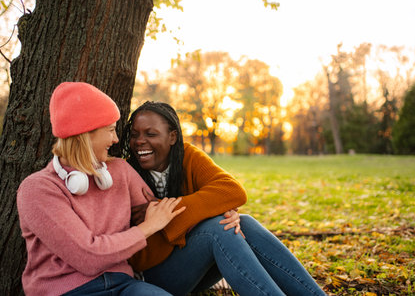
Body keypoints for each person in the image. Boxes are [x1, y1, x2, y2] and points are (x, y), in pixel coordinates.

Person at [121, 101, 326, 296]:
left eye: (151, 134)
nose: (139, 141)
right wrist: (205, 212)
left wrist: (169, 212)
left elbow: (232, 191)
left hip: (194, 268)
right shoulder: (126, 173)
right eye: (134, 134)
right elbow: (139, 256)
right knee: (219, 229)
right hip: (153, 278)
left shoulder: (187, 156)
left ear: (172, 137)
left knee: (243, 223)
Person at [16, 83, 185, 296]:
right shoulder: (37, 190)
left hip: (124, 284)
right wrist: (146, 228)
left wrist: (221, 211)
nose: (116, 139)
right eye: (111, 130)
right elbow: (88, 256)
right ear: (85, 134)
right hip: (69, 291)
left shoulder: (119, 171)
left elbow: (161, 211)